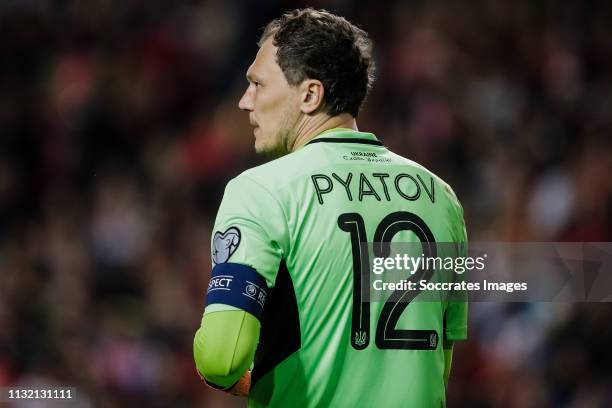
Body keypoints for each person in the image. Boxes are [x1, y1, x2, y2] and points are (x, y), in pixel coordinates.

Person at [193, 8, 467, 407]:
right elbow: (437, 365)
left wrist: (240, 372)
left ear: (309, 95)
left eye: (257, 84)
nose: (244, 101)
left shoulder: (261, 191)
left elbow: (222, 358)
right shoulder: (441, 198)